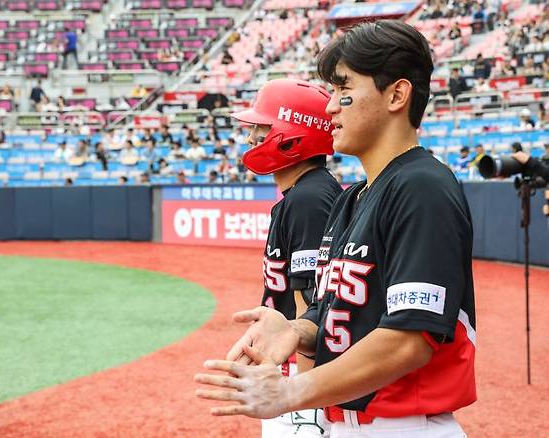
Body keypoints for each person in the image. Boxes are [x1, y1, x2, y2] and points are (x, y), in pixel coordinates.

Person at [195, 20, 476, 438]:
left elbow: (409, 339)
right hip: (347, 423)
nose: (329, 109)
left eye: (344, 91)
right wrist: (296, 329)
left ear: (397, 95)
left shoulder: (422, 185)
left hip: (403, 426)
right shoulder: (353, 197)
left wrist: (291, 392)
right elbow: (330, 311)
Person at [227, 78, 343, 437]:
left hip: (300, 371)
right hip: (291, 366)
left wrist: (304, 403)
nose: (251, 140)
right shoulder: (303, 193)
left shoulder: (308, 198)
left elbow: (311, 303)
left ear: (293, 135)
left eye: (261, 130)